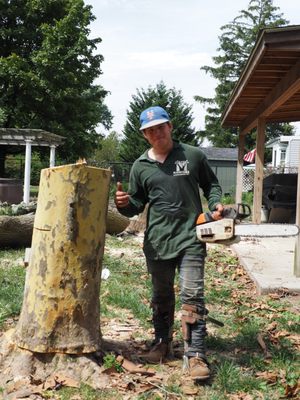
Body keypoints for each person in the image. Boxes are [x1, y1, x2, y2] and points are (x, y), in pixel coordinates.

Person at [114, 105, 223, 381]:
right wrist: (124, 205)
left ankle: (196, 354)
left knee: (192, 296)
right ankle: (162, 344)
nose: (156, 133)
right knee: (161, 297)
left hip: (191, 238)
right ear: (144, 135)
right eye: (150, 130)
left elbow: (212, 185)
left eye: (160, 127)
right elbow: (137, 205)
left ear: (170, 127)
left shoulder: (192, 155)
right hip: (158, 242)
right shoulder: (140, 166)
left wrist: (216, 203)